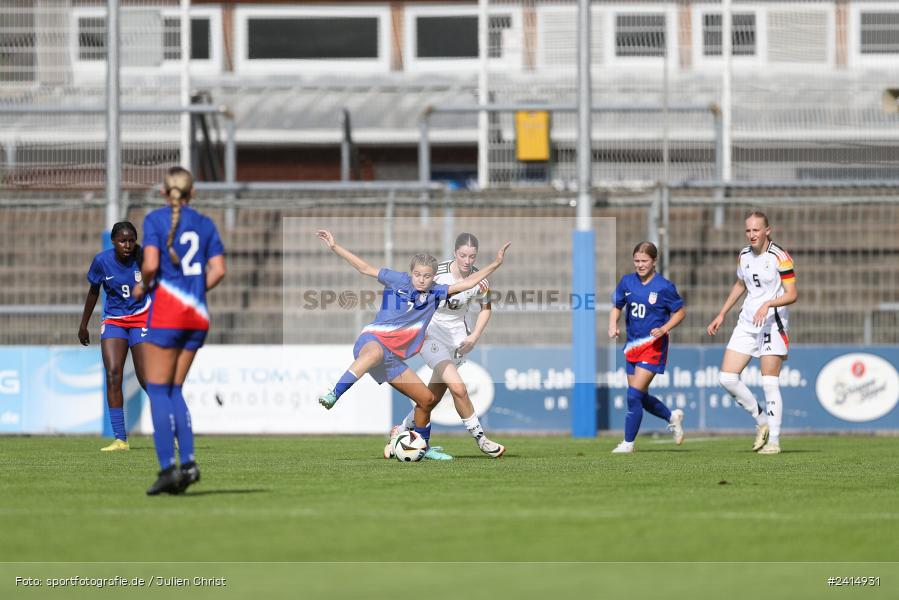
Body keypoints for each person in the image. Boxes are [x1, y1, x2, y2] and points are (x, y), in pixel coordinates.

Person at [315, 229, 510, 461]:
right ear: (411, 273)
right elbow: (364, 268)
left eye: (427, 276)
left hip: (393, 359)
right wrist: (335, 246)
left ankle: (422, 447)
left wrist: (496, 264)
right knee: (375, 352)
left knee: (427, 400)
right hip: (374, 339)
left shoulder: (437, 293)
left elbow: (466, 284)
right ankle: (334, 393)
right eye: (418, 274)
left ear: (433, 277)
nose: (421, 279)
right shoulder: (397, 280)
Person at [132, 167, 226, 494]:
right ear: (193, 192)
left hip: (168, 312)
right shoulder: (206, 224)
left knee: (159, 391)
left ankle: (168, 469)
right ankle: (188, 463)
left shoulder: (155, 220)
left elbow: (152, 265)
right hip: (197, 315)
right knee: (174, 390)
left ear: (163, 192)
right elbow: (219, 269)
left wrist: (143, 287)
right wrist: (196, 291)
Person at [385, 233, 505, 459]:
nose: (467, 261)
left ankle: (400, 431)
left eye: (472, 256)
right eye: (463, 255)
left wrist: (474, 336)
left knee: (432, 398)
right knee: (458, 388)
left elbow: (486, 309)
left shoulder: (481, 280)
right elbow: (414, 293)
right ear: (454, 254)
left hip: (457, 340)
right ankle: (482, 440)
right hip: (430, 335)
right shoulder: (437, 273)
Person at [707, 211, 797, 455]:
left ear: (768, 230)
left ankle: (775, 441)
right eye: (748, 230)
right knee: (727, 378)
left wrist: (768, 304)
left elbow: (792, 294)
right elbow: (741, 284)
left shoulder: (780, 256)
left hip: (772, 324)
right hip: (747, 323)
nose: (751, 235)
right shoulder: (744, 255)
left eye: (756, 230)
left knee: (769, 382)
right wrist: (722, 313)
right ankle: (761, 419)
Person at [608, 242, 686, 453]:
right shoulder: (627, 282)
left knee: (633, 395)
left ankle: (628, 443)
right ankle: (672, 417)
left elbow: (679, 312)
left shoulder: (664, 286)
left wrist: (665, 328)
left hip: (653, 347)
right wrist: (613, 324)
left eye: (644, 261)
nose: (640, 265)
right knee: (639, 397)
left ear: (654, 262)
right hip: (633, 346)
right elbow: (616, 306)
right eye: (636, 261)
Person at [79, 222, 149, 452]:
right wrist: (83, 325)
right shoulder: (102, 261)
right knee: (113, 374)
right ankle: (120, 439)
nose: (127, 245)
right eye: (122, 241)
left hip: (141, 318)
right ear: (113, 241)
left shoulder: (144, 256)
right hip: (114, 320)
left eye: (131, 240)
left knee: (147, 378)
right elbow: (93, 292)